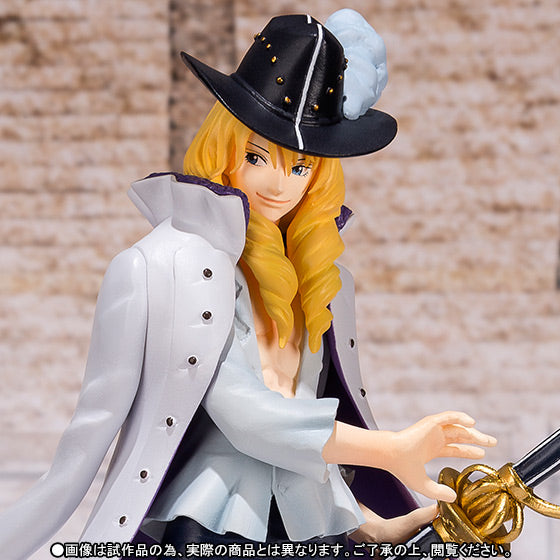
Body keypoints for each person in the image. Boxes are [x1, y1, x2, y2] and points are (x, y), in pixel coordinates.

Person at [0, 10, 496, 560]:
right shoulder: (173, 268)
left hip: (312, 533)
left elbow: (298, 443)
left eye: (301, 167)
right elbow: (245, 416)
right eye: (258, 157)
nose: (280, 185)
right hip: (214, 527)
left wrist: (379, 526)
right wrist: (390, 448)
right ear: (224, 149)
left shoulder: (325, 281)